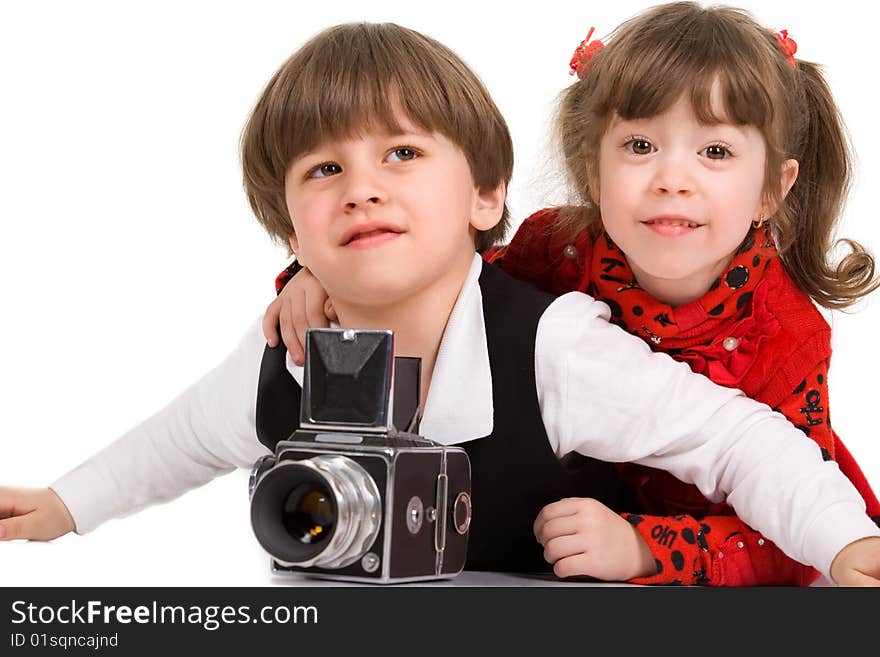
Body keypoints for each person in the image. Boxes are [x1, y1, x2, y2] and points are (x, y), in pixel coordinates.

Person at [2, 21, 878, 586]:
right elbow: (184, 437)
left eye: (404, 155)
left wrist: (845, 543)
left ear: (486, 196)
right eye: (324, 170)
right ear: (288, 231)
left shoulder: (551, 343)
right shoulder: (292, 343)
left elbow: (735, 439)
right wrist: (66, 503)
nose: (363, 190)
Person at [265, 3, 880, 585]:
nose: (671, 180)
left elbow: (784, 517)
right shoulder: (553, 250)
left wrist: (646, 548)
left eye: (714, 151)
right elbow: (431, 270)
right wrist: (317, 275)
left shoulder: (785, 333)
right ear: (593, 168)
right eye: (640, 146)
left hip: (724, 529)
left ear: (773, 188)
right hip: (556, 519)